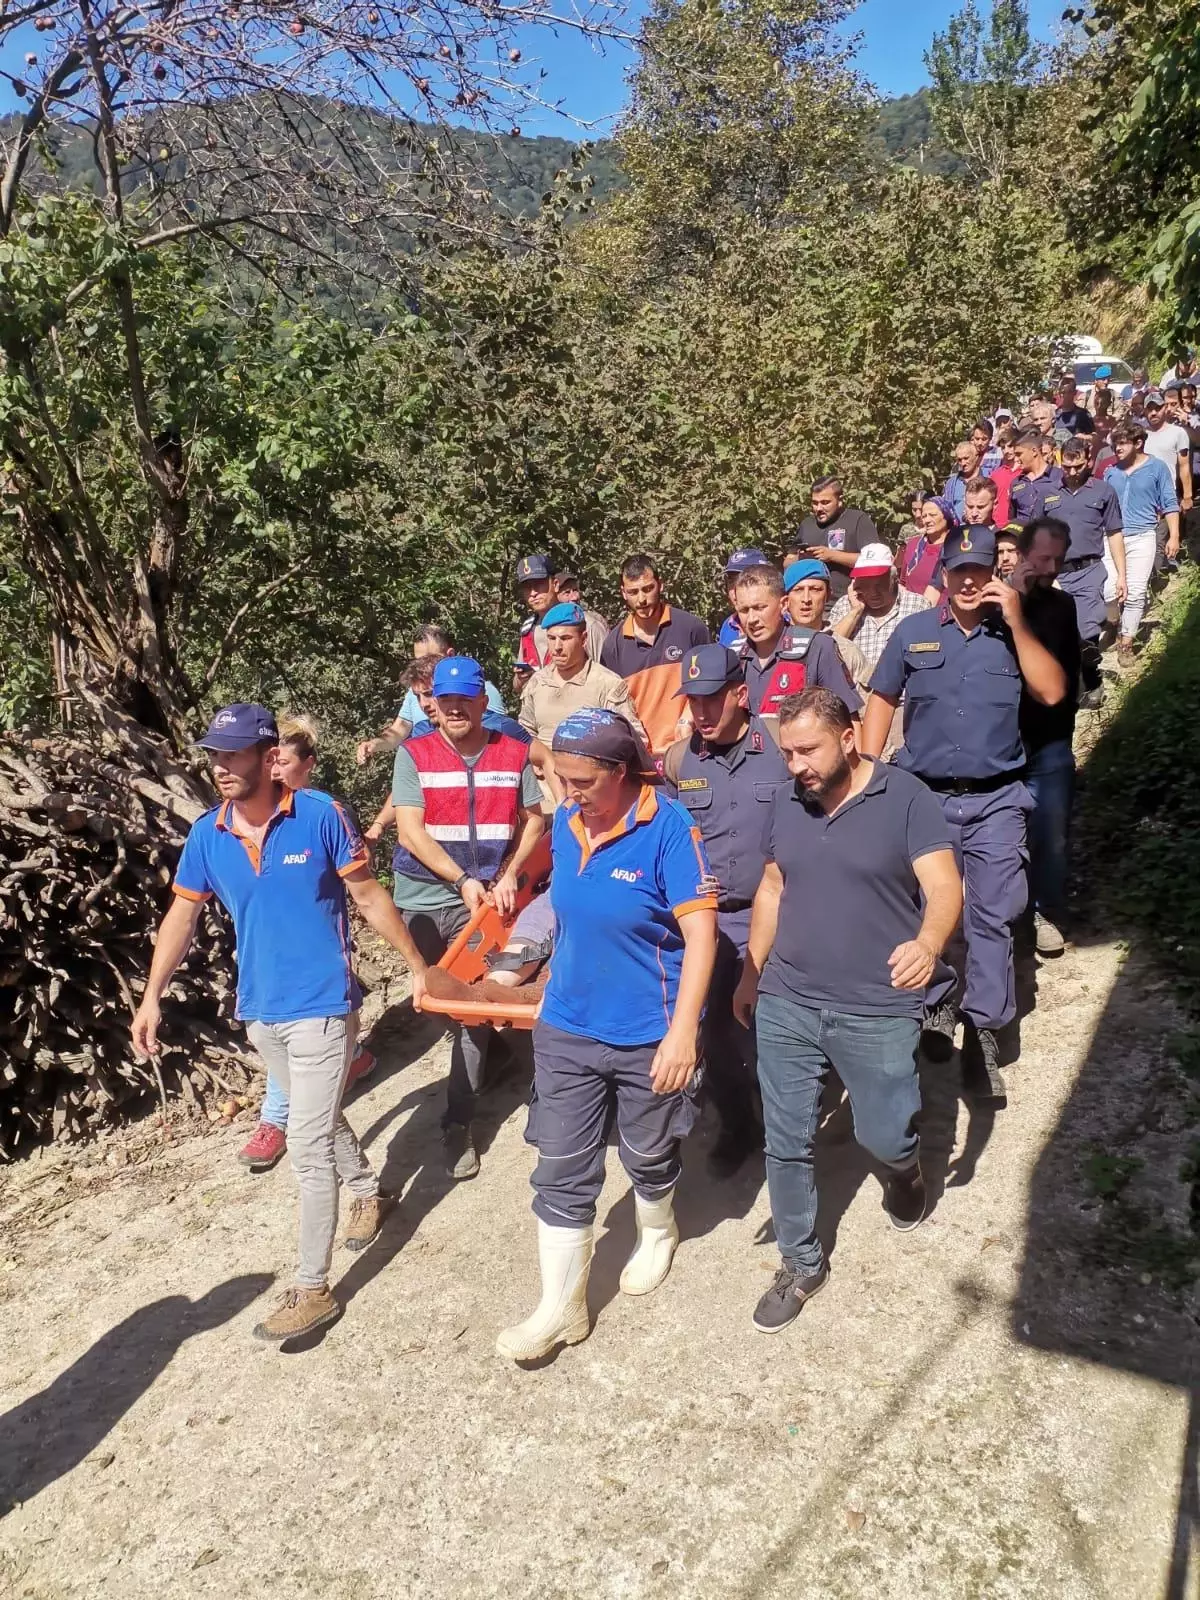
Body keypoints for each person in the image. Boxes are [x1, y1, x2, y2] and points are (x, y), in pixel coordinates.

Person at [131, 704, 429, 1342]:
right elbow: (181, 918)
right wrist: (152, 994)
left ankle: (312, 1288)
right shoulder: (208, 835)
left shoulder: (321, 815)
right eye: (214, 755)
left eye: (233, 755)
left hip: (324, 1003)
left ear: (269, 758)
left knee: (306, 1142)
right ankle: (371, 1189)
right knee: (314, 1114)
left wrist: (416, 965)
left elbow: (369, 895)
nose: (220, 767)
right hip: (261, 1009)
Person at [731, 689, 963, 1333]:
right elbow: (774, 886)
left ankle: (904, 1173)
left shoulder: (907, 798)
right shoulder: (785, 801)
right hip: (790, 997)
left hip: (876, 1004)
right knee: (787, 1136)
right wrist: (752, 971)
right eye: (787, 753)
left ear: (850, 736)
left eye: (808, 749)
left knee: (883, 1134)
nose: (796, 765)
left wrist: (928, 941)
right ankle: (800, 1262)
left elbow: (944, 884)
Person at [497, 709, 717, 1361]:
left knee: (647, 1152)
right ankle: (560, 1309)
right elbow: (563, 913)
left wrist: (682, 1034)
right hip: (568, 1026)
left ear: (622, 772)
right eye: (560, 778)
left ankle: (657, 1228)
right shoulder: (565, 823)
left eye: (582, 780)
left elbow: (701, 939)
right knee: (561, 1166)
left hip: (647, 1028)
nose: (568, 793)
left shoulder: (670, 830)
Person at [862, 527, 1069, 1100]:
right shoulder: (913, 633)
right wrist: (865, 772)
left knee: (993, 916)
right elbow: (881, 699)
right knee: (931, 913)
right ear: (942, 574)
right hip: (924, 798)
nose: (970, 580)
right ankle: (936, 1008)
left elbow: (1052, 692)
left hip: (998, 799)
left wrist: (1019, 622)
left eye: (980, 569)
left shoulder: (1015, 631)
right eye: (959, 570)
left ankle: (984, 1035)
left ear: (994, 572)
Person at [391, 656, 545, 1179]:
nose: (455, 708)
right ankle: (508, 1074)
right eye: (446, 700)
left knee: (470, 1013)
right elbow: (411, 831)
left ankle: (460, 1123)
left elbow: (535, 818)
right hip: (424, 896)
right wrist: (461, 878)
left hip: (481, 904)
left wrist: (510, 871)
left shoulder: (514, 751)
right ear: (432, 704)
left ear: (483, 702)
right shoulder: (415, 754)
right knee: (445, 1007)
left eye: (466, 699)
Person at [661, 645, 791, 1176]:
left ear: (741, 695)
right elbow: (666, 836)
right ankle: (740, 1123)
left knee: (778, 1028)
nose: (701, 712)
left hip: (784, 910)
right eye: (692, 700)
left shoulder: (784, 745)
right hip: (709, 922)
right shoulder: (678, 759)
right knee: (711, 1030)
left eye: (712, 699)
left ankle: (791, 1125)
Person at [238, 716, 379, 1173]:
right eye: (270, 761)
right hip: (270, 960)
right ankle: (352, 1058)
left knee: (300, 1044)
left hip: (317, 960)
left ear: (309, 765)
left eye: (283, 762)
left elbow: (362, 877)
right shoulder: (246, 817)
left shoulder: (326, 811)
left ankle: (275, 1122)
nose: (274, 770)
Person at [1009, 518, 1081, 958]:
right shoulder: (996, 601)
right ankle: (1008, 912)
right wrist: (1014, 595)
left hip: (1050, 739)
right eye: (1044, 557)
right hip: (1004, 741)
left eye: (1059, 559)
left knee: (1051, 831)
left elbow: (1066, 676)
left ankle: (1045, 910)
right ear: (1022, 554)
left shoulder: (1063, 606)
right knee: (1005, 834)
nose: (1052, 566)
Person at [519, 602, 647, 806]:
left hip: (590, 798)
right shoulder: (537, 683)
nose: (557, 647)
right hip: (543, 798)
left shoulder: (606, 683)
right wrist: (534, 759)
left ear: (584, 639)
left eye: (566, 638)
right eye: (551, 639)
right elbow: (524, 733)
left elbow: (634, 740)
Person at [600, 553, 710, 751]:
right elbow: (612, 708)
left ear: (661, 585)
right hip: (642, 758)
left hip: (691, 749)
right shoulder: (613, 646)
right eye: (633, 592)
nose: (641, 599)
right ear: (623, 593)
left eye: (647, 589)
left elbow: (709, 684)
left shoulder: (691, 628)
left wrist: (688, 720)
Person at [356, 626, 505, 765]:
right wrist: (374, 744)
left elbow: (494, 741)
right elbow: (399, 730)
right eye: (418, 661)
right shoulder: (414, 694)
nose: (424, 703)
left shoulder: (478, 690)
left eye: (430, 658)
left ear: (450, 655)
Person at [730, 564, 862, 719]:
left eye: (760, 608)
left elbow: (848, 718)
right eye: (744, 610)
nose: (752, 619)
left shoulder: (818, 647)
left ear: (783, 604)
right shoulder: (732, 654)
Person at [1053, 436, 1126, 705]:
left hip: (1089, 571)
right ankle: (1068, 689)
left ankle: (1092, 682)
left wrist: (1122, 576)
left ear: (1089, 460)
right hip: (1055, 576)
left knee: (1086, 631)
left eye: (1079, 466)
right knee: (1061, 636)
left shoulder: (1104, 491)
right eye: (1067, 466)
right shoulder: (1048, 493)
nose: (1073, 472)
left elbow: (1115, 533)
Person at [1103, 421, 1181, 665]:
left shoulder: (1156, 468)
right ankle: (1115, 622)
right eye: (1115, 443)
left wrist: (1175, 536)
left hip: (1142, 535)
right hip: (1112, 537)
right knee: (1107, 591)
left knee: (1135, 592)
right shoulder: (1110, 472)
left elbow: (1169, 502)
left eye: (1123, 443)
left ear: (1138, 443)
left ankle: (1126, 642)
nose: (1117, 448)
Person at [829, 544, 931, 674]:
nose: (873, 592)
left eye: (879, 584)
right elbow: (827, 650)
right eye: (865, 585)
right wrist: (855, 612)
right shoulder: (845, 605)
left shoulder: (917, 605)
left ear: (894, 579)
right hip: (853, 691)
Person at [782, 558, 871, 693]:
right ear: (785, 599)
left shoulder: (846, 651)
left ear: (828, 595)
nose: (806, 599)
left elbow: (866, 708)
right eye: (798, 590)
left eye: (815, 590)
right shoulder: (770, 647)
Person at [515, 553, 608, 671]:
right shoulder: (528, 630)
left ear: (555, 585)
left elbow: (608, 677)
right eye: (527, 587)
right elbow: (517, 685)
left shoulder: (586, 625)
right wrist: (520, 678)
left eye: (539, 584)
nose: (533, 593)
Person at [794, 477, 877, 599]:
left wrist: (832, 555)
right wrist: (800, 558)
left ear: (840, 500)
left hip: (848, 600)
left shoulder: (857, 520)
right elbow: (787, 562)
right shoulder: (806, 524)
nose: (819, 508)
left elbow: (874, 560)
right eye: (815, 503)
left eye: (825, 502)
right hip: (811, 601)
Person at [1142, 392, 1193, 564]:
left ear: (1165, 408)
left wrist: (1187, 496)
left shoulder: (1178, 433)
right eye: (1149, 409)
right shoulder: (1139, 434)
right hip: (1143, 494)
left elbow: (1184, 465)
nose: (1153, 413)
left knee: (1162, 539)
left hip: (1167, 494)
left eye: (1157, 408)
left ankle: (1162, 572)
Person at [899, 495, 956, 602]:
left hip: (943, 613)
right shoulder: (913, 545)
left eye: (933, 515)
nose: (927, 520)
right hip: (912, 612)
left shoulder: (956, 547)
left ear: (946, 516)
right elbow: (903, 582)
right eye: (924, 516)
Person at [1009, 428, 1065, 525]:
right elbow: (1012, 519)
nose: (1016, 459)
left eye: (1019, 454)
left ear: (1034, 451)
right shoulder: (1016, 483)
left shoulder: (1060, 477)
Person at [718, 548, 770, 646]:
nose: (735, 590)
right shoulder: (728, 625)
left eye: (745, 583)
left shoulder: (786, 621)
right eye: (731, 582)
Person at [942, 439, 983, 522]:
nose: (963, 463)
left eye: (966, 458)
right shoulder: (951, 484)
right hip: (958, 531)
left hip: (980, 529)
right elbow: (946, 510)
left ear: (976, 457)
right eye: (959, 460)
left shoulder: (987, 478)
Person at [989, 426, 1018, 526]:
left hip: (1017, 525)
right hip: (998, 525)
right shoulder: (995, 475)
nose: (1006, 451)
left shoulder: (1025, 472)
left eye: (1010, 446)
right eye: (1003, 447)